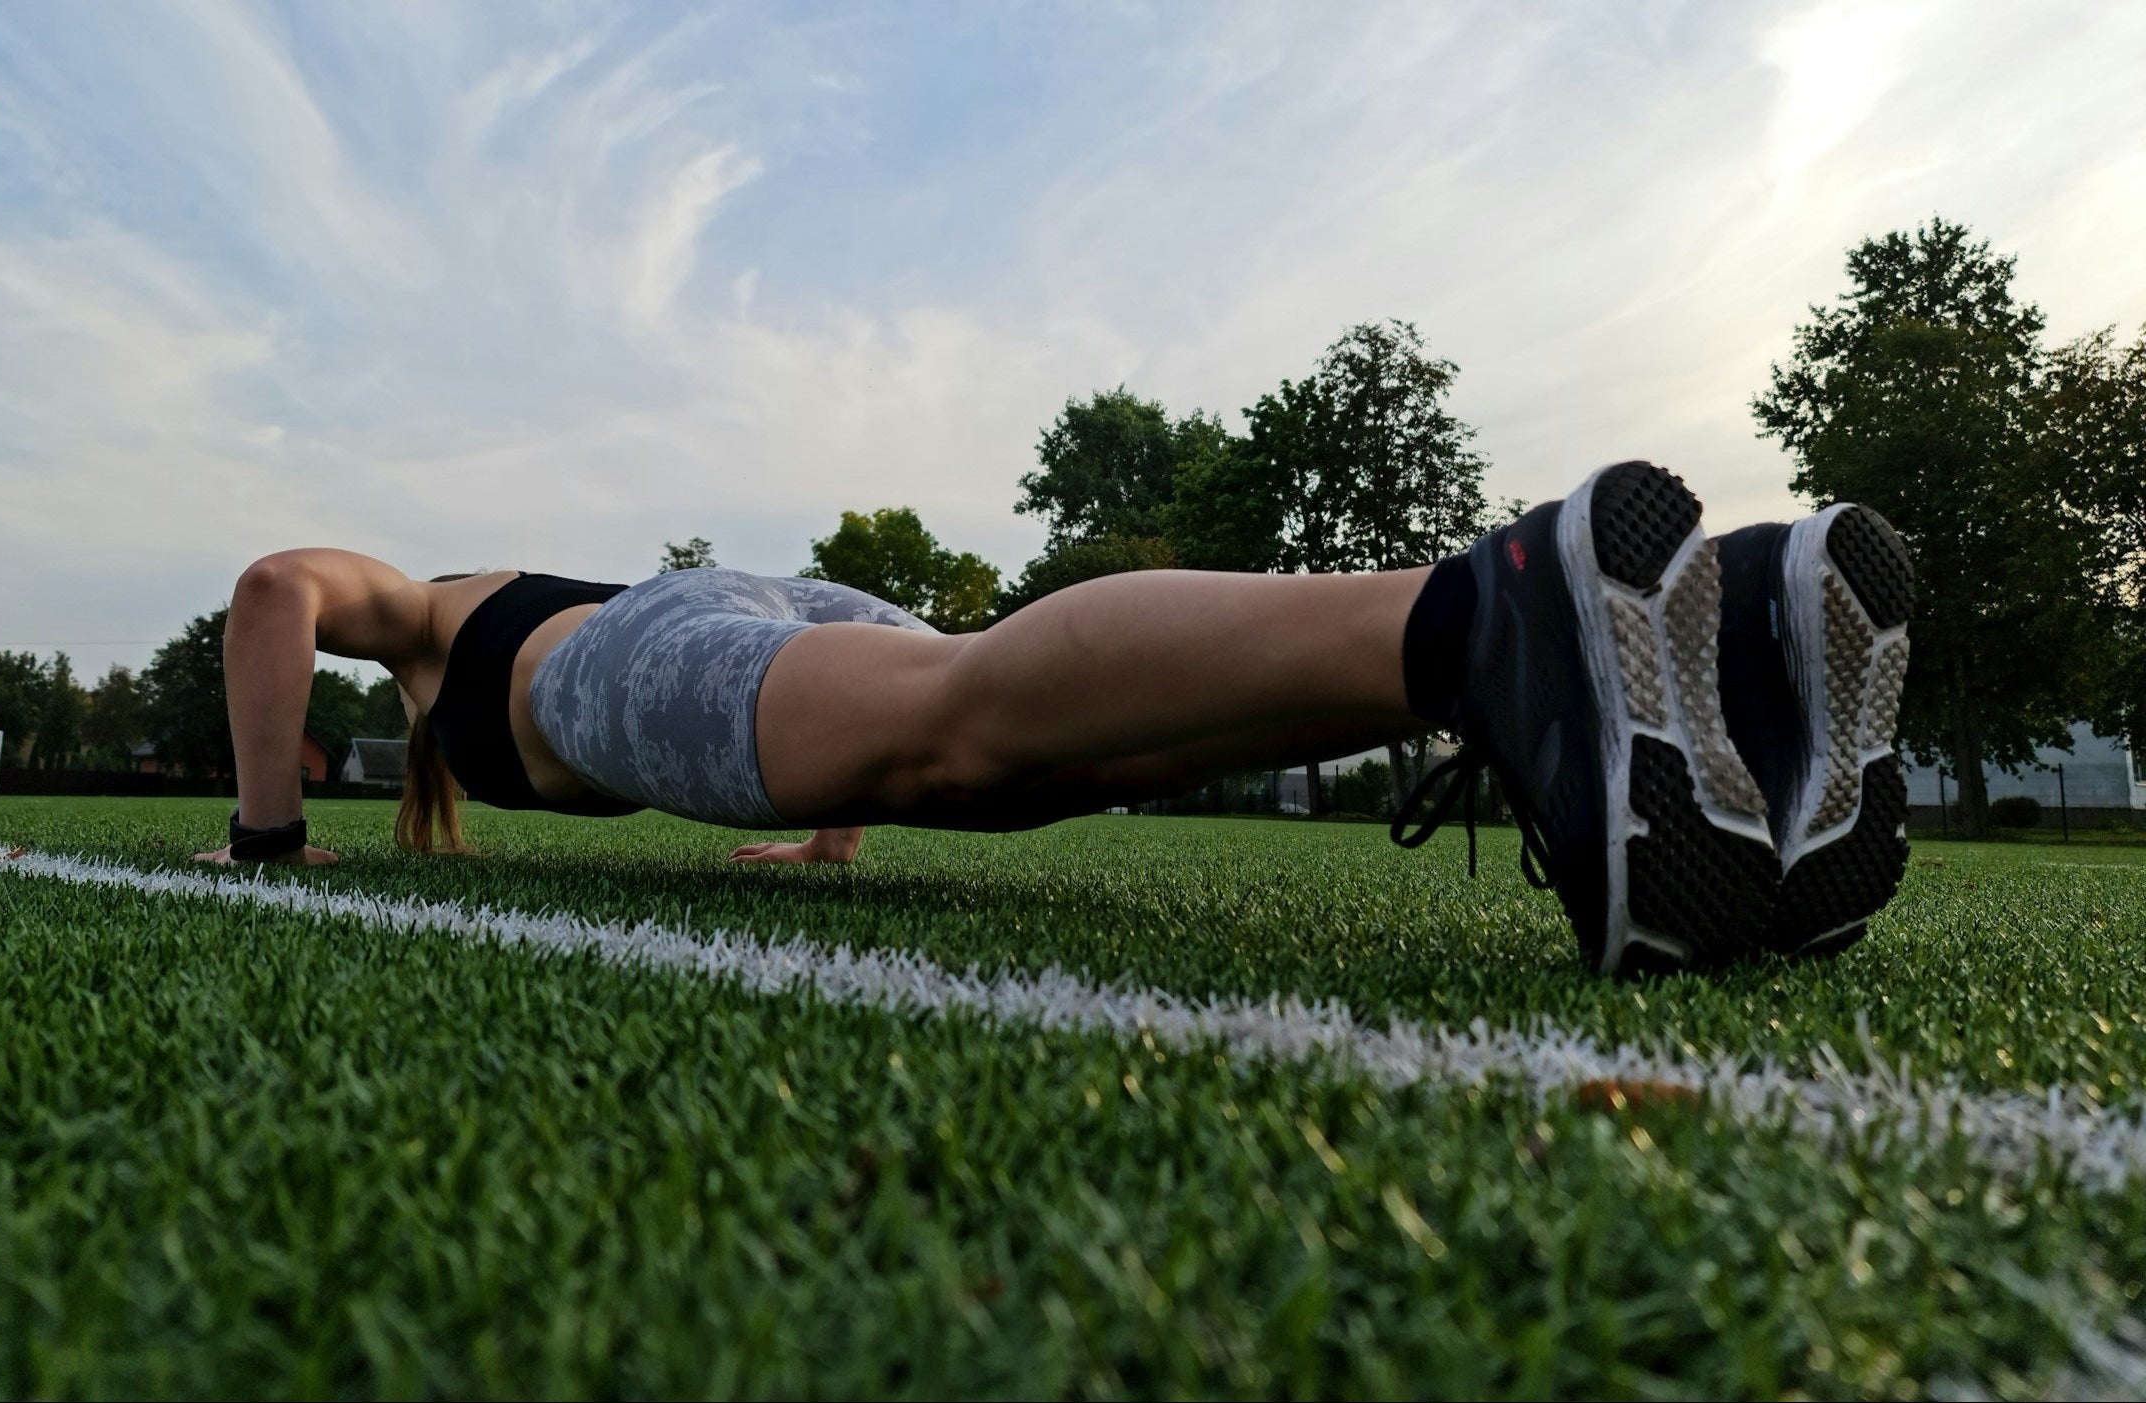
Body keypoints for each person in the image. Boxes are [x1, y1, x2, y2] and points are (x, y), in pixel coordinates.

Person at [195, 460, 1912, 975]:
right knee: (1023, 759)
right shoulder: (474, 684)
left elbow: (275, 589)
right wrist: (837, 813)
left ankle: (1488, 614)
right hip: (761, 622)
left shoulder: (441, 620)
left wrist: (263, 838)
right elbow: (805, 676)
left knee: (960, 713)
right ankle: (1732, 686)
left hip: (645, 648)